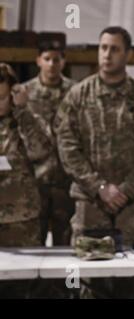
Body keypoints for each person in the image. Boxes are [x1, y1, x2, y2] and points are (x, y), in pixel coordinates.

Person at [55, 26, 134, 298]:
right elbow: (67, 147)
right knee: (90, 281)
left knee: (128, 281)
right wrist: (99, 187)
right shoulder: (78, 96)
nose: (107, 54)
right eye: (103, 47)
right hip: (91, 203)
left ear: (128, 54)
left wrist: (127, 188)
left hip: (132, 205)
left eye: (115, 49)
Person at [0, 63, 52, 298]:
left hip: (21, 220)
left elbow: (42, 150)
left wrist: (22, 112)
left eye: (2, 98)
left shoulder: (26, 120)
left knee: (22, 286)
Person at [23, 40, 76, 246]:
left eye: (56, 59)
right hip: (35, 179)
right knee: (34, 240)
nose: (52, 64)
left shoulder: (74, 92)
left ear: (63, 62)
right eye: (47, 59)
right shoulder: (24, 93)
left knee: (64, 242)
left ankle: (62, 280)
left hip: (66, 179)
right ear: (38, 61)